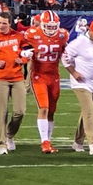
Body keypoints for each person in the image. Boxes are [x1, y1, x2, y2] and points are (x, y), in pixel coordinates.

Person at [0, 11, 30, 155]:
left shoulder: (18, 36)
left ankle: (9, 134)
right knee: (2, 112)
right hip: (0, 78)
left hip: (17, 77)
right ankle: (1, 144)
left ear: (10, 23)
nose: (1, 26)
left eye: (4, 23)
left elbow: (28, 52)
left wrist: (23, 60)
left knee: (20, 111)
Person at [22, 10, 68, 154]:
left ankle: (48, 140)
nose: (51, 29)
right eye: (48, 26)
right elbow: (22, 46)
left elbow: (67, 52)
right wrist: (24, 53)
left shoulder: (63, 35)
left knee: (52, 111)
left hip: (54, 76)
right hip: (39, 76)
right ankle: (44, 142)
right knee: (43, 108)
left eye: (54, 26)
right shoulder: (32, 34)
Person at [63, 19, 93, 156]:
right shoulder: (78, 43)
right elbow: (65, 58)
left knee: (86, 113)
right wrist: (74, 72)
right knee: (89, 111)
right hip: (81, 83)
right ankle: (92, 143)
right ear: (89, 30)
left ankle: (78, 141)